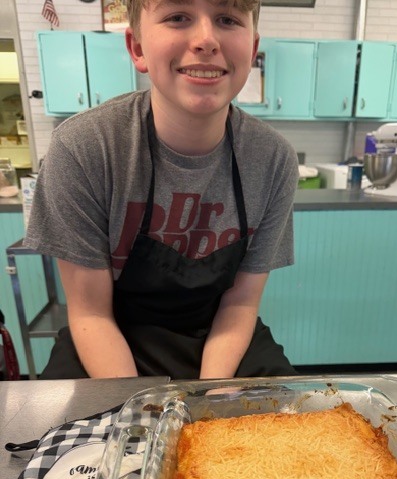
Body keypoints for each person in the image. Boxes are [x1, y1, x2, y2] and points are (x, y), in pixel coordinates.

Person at [24, 0, 300, 381]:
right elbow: (91, 314)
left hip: (221, 338)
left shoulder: (273, 161)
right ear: (137, 48)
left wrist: (211, 403)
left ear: (252, 49)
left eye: (227, 19)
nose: (206, 39)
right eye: (177, 17)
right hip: (109, 338)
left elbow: (239, 305)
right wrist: (143, 415)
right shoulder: (85, 148)